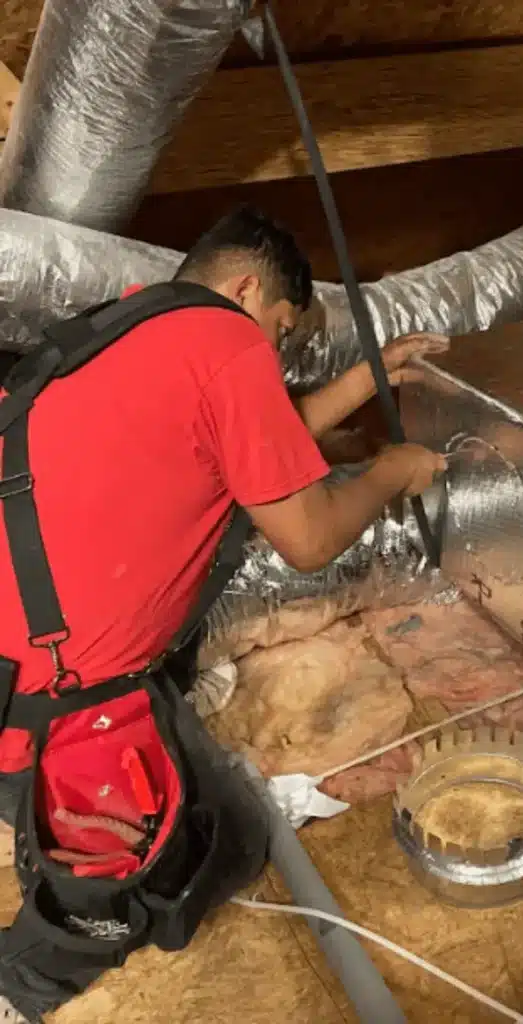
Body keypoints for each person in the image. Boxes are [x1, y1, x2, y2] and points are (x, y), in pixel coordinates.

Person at [0, 205, 448, 1022]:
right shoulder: (228, 345)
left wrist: (366, 376)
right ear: (245, 290)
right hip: (55, 699)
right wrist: (389, 472)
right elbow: (309, 538)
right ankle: (25, 984)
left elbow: (254, 450)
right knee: (205, 857)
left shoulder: (127, 327)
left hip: (17, 638)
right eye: (282, 330)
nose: (275, 351)